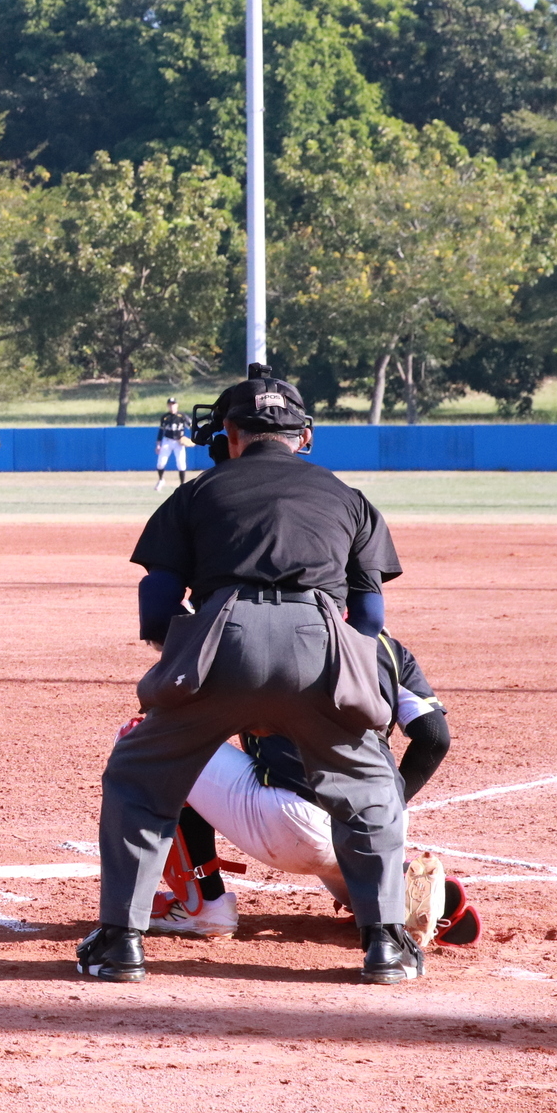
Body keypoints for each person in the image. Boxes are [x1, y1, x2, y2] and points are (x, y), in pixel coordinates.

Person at [78, 364, 422, 985]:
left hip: (219, 643)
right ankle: (386, 944)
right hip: (321, 646)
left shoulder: (194, 494)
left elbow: (156, 607)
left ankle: (121, 944)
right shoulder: (349, 498)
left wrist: (196, 649)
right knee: (368, 784)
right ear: (304, 436)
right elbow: (369, 616)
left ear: (229, 435)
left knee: (139, 776)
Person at [139, 630, 453, 937]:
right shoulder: (381, 643)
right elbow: (434, 738)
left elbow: (169, 713)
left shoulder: (252, 633)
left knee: (147, 738)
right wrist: (389, 808)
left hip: (296, 827)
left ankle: (203, 904)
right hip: (379, 827)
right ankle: (394, 885)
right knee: (360, 870)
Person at [154, 397, 191, 490]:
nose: (172, 406)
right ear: (168, 406)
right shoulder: (165, 417)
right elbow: (161, 431)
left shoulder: (182, 416)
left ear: (177, 405)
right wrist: (158, 444)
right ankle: (161, 480)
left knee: (181, 464)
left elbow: (191, 425)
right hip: (167, 441)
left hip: (179, 442)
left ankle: (182, 485)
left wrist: (193, 438)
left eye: (173, 404)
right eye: (170, 404)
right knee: (160, 463)